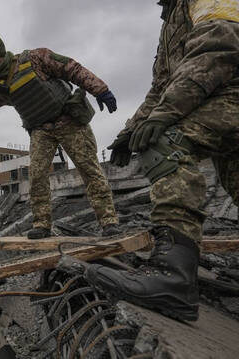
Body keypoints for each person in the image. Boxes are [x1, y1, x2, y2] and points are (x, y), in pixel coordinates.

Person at [85, 0, 239, 322]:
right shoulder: (170, 21)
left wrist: (164, 117)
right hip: (220, 104)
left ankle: (173, 278)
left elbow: (221, 40)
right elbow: (160, 88)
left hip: (231, 94)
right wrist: (130, 131)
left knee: (165, 144)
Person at [0, 33, 121, 239]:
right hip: (41, 130)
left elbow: (72, 68)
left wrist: (100, 90)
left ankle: (109, 222)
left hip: (69, 120)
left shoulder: (34, 58)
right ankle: (42, 224)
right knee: (36, 176)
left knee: (89, 170)